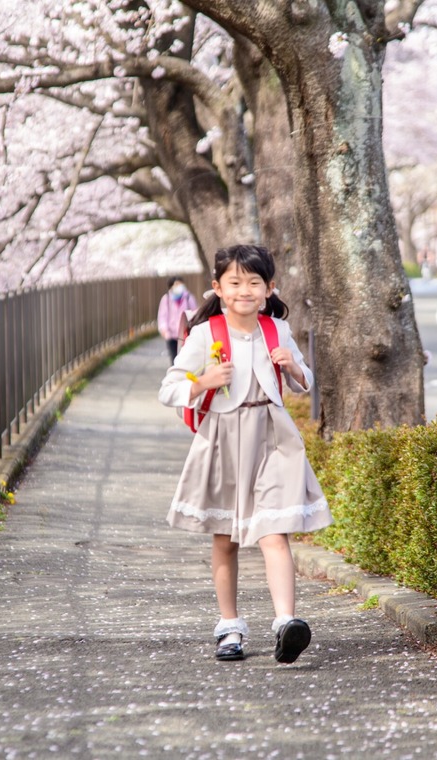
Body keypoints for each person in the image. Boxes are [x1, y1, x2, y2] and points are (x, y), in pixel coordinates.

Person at [158, 244, 331, 665]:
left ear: (270, 288)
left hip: (272, 438)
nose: (245, 291)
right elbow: (169, 388)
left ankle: (287, 622)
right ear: (217, 288)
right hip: (224, 441)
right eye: (234, 283)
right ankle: (229, 627)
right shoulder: (205, 334)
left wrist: (293, 367)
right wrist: (204, 381)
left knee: (275, 532)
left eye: (255, 282)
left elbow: (304, 381)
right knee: (226, 539)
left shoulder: (277, 330)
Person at [157, 277, 197, 364]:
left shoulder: (188, 297)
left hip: (185, 334)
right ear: (171, 287)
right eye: (176, 285)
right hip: (171, 335)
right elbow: (162, 316)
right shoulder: (166, 299)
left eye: (180, 284)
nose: (179, 287)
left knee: (185, 359)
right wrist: (165, 331)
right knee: (174, 360)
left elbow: (194, 314)